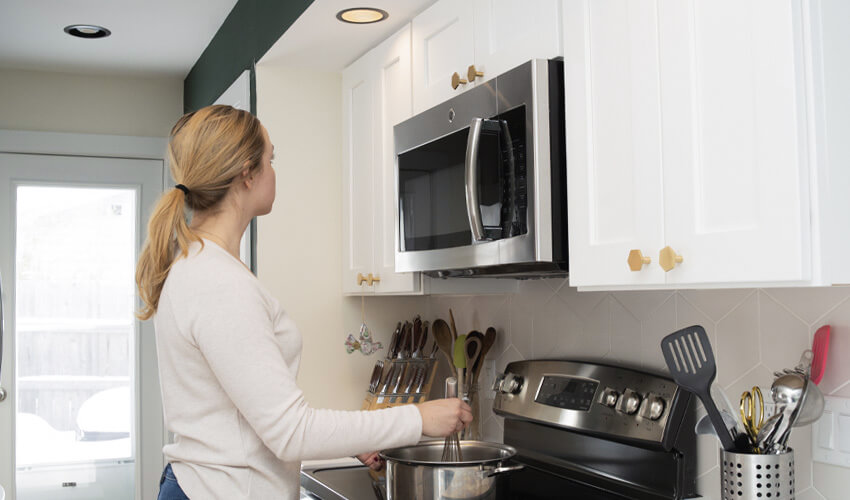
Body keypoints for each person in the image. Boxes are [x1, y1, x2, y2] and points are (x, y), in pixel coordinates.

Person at [135, 105, 472, 499]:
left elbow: (257, 414)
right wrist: (417, 417)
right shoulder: (218, 281)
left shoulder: (202, 266)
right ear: (247, 173)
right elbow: (291, 432)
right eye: (270, 159)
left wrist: (348, 438)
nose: (274, 171)